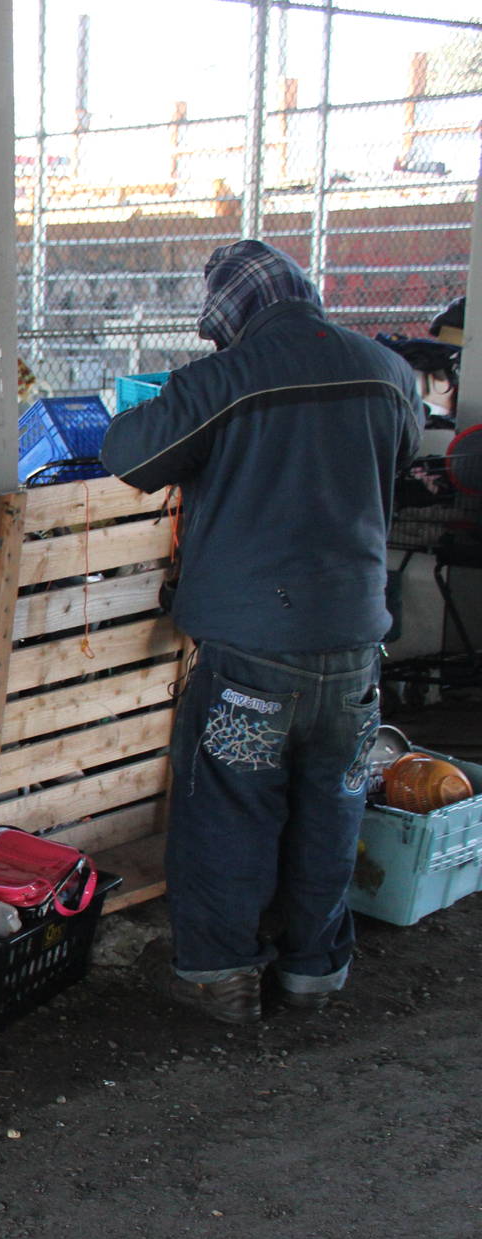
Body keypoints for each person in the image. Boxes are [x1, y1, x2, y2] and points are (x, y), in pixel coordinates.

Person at [98, 239, 421, 1026]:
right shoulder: (388, 373)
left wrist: (189, 403)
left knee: (229, 811)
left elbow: (127, 453)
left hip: (251, 658)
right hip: (353, 654)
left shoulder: (227, 379)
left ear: (228, 314)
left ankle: (221, 974)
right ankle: (315, 970)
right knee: (332, 807)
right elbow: (401, 462)